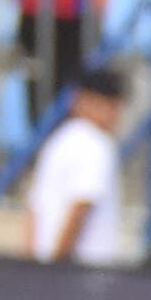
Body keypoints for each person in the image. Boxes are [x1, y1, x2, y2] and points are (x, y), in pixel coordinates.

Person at [24, 65, 130, 266]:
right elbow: (81, 207)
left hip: (46, 272)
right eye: (111, 106)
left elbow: (34, 211)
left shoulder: (57, 141)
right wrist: (57, 265)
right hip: (82, 274)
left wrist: (32, 270)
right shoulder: (96, 145)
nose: (117, 115)